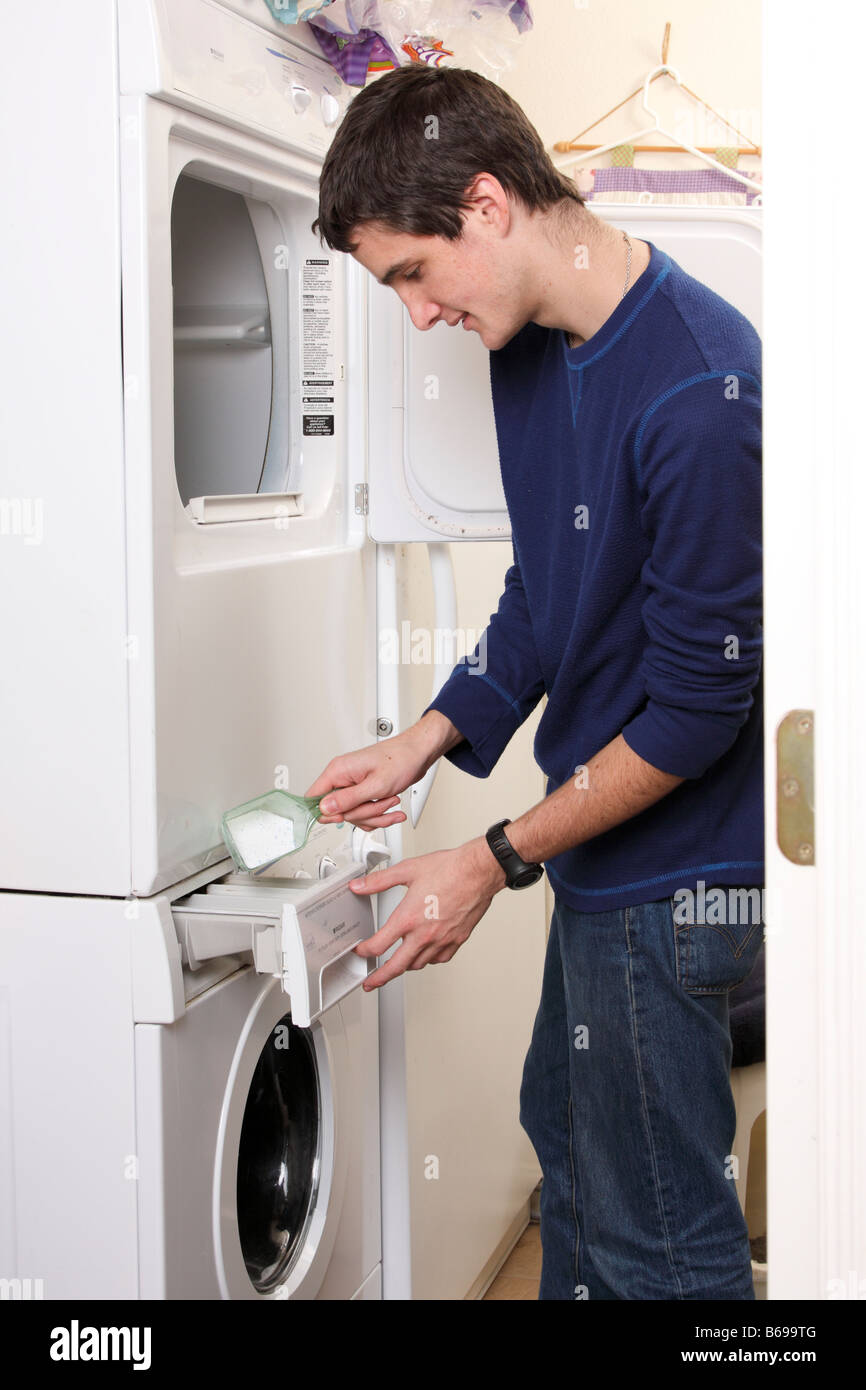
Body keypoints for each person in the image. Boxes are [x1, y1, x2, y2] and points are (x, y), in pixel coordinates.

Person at [305, 63, 764, 1300]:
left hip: (675, 895)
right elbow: (548, 593)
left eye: (410, 273)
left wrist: (491, 858)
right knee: (570, 1162)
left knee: (658, 1248)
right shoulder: (536, 348)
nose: (414, 317)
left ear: (488, 202)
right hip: (600, 871)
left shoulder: (700, 385)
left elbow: (695, 712)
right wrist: (427, 735)